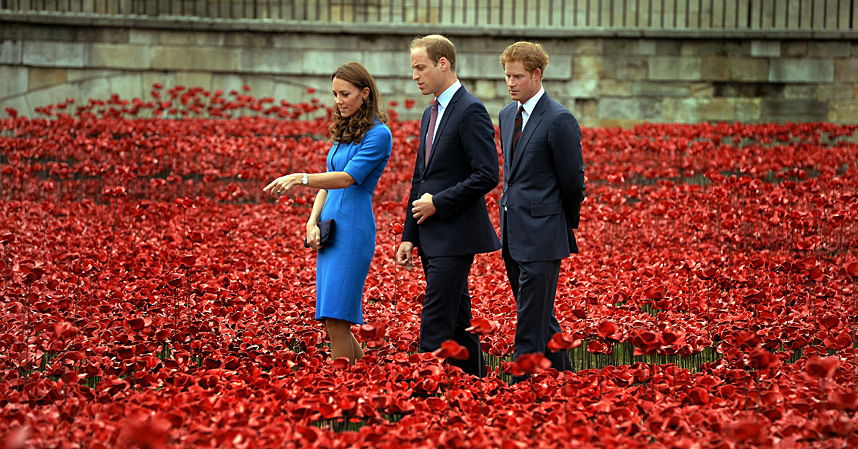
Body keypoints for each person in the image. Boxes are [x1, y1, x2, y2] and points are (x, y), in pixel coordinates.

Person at [264, 61, 392, 364]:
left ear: (365, 93)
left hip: (353, 229)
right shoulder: (346, 131)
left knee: (338, 318)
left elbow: (346, 178)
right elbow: (328, 181)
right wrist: (311, 222)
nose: (338, 101)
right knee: (331, 319)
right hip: (331, 228)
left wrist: (299, 178)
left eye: (345, 94)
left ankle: (342, 389)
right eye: (335, 94)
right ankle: (360, 382)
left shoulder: (379, 133)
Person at [395, 35, 501, 377]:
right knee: (457, 320)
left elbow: (487, 174)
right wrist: (409, 236)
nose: (415, 75)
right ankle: (478, 386)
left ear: (444, 64)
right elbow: (419, 179)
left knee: (436, 319)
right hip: (431, 235)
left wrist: (438, 204)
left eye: (420, 67)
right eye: (413, 68)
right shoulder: (430, 113)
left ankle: (422, 393)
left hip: (456, 234)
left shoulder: (470, 110)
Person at [497, 41, 586, 382]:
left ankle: (522, 386)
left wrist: (561, 222)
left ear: (537, 75)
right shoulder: (507, 115)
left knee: (530, 321)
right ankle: (566, 380)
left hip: (543, 234)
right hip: (513, 232)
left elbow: (572, 183)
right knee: (541, 315)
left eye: (517, 76)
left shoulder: (559, 119)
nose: (511, 83)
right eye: (507, 75)